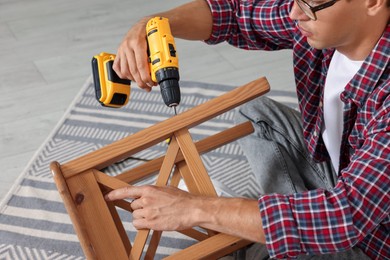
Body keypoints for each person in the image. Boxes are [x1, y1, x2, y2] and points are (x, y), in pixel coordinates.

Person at [105, 0, 390, 258]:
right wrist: (153, 25)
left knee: (310, 231)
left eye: (310, 3)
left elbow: (344, 215)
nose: (294, 13)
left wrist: (194, 208)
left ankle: (284, 241)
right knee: (258, 116)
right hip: (348, 179)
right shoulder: (326, 22)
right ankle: (286, 230)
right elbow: (237, 13)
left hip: (375, 241)